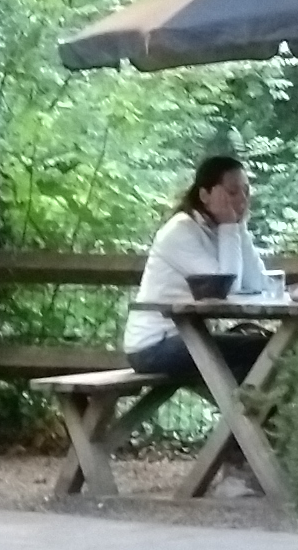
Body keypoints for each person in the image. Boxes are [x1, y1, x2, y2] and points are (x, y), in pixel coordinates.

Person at [121, 156, 284, 383]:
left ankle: (241, 405)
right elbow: (225, 288)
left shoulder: (222, 229)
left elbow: (258, 283)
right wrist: (230, 225)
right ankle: (243, 406)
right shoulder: (180, 231)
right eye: (232, 192)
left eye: (247, 191)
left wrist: (238, 227)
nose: (243, 199)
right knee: (266, 349)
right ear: (205, 195)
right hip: (153, 346)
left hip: (192, 337)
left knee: (269, 348)